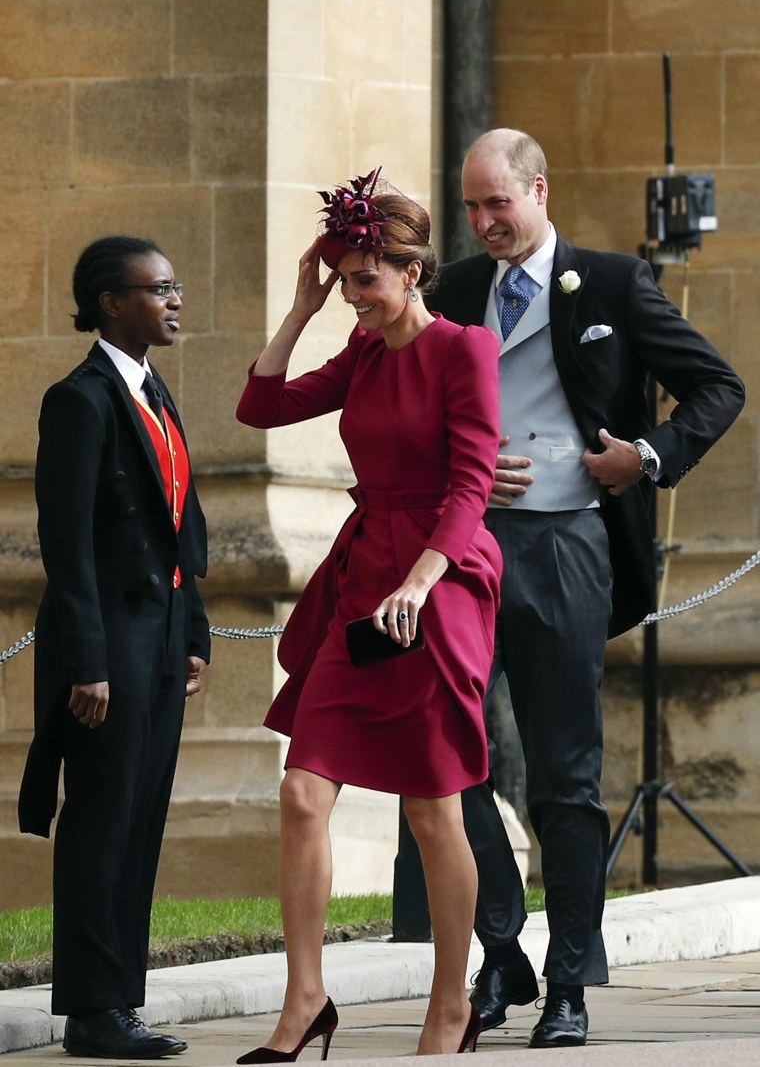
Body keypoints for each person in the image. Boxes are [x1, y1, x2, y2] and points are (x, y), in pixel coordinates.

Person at [393, 128, 746, 1049]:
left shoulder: (617, 282)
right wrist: (456, 470)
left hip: (567, 547)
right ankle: (499, 946)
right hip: (462, 548)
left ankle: (568, 984)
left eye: (495, 204)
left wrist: (648, 456)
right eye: (470, 208)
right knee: (442, 760)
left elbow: (718, 385)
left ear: (538, 191)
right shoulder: (457, 290)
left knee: (566, 778)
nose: (482, 223)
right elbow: (406, 402)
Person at [234, 169, 502, 1060]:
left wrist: (422, 583)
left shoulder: (464, 351)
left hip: (440, 579)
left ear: (411, 273)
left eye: (365, 279)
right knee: (303, 792)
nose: (354, 294)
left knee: (433, 811)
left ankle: (449, 1007)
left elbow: (471, 485)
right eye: (344, 278)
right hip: (365, 579)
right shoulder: (361, 351)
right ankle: (304, 1000)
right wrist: (302, 308)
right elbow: (261, 407)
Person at [18, 236, 211, 1059]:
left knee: (140, 818)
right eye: (156, 289)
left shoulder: (151, 387)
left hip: (161, 635)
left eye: (173, 287)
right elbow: (65, 546)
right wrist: (87, 662)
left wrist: (194, 632)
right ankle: (92, 1012)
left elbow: (177, 525)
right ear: (109, 302)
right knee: (100, 820)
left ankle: (120, 1003)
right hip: (109, 645)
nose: (173, 301)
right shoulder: (82, 398)